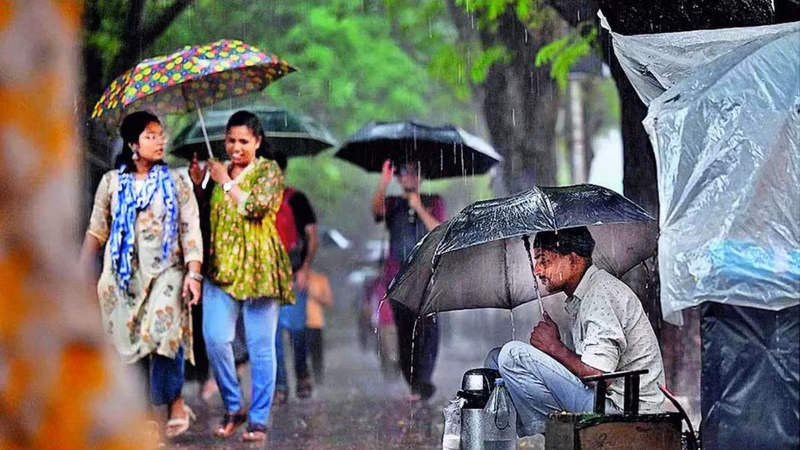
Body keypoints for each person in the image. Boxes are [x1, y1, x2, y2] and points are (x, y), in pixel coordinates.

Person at [80, 111, 203, 439]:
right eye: (150, 135)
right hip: (122, 276)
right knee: (127, 344)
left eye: (160, 134)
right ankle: (144, 412)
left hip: (167, 271)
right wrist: (78, 272)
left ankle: (175, 401)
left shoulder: (177, 181)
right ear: (133, 144)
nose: (159, 140)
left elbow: (191, 227)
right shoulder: (112, 183)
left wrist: (194, 273)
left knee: (165, 332)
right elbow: (97, 230)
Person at [484, 227, 666, 437]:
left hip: (624, 412)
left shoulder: (601, 293)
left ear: (573, 260)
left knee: (512, 355)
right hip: (602, 399)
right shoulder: (583, 295)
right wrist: (556, 350)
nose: (537, 270)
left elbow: (601, 377)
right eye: (536, 261)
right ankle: (503, 439)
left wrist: (555, 348)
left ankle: (551, 438)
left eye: (544, 260)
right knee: (496, 360)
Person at [188, 110, 294, 442]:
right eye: (231, 140)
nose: (236, 147)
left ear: (257, 142)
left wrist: (225, 181)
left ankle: (258, 419)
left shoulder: (269, 172)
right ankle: (234, 406)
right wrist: (199, 186)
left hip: (260, 270)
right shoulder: (217, 172)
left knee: (261, 347)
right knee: (216, 339)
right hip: (220, 268)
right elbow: (207, 215)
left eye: (244, 141)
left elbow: (256, 208)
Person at [372, 159, 446, 401]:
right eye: (405, 172)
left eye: (415, 172)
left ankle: (424, 379)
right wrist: (383, 182)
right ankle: (413, 381)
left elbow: (440, 230)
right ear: (399, 177)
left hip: (427, 275)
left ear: (422, 177)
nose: (410, 177)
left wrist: (420, 207)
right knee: (405, 331)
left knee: (428, 326)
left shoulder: (434, 201)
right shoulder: (393, 203)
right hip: (397, 276)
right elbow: (377, 212)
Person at [271, 150, 319, 403]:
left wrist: (306, 268)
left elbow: (312, 235)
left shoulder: (297, 200)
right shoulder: (257, 201)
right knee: (274, 335)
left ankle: (302, 374)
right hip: (268, 278)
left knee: (297, 330)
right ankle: (280, 386)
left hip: (293, 273)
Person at [305, 269, 334, 385]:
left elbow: (329, 301)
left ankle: (318, 380)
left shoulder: (320, 279)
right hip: (299, 324)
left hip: (316, 323)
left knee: (317, 355)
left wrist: (313, 295)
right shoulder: (293, 279)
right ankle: (304, 380)